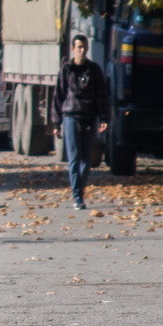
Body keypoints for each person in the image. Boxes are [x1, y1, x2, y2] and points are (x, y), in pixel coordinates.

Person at [50, 34, 110, 209]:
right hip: (71, 117)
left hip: (89, 117)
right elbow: (58, 96)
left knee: (86, 160)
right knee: (74, 159)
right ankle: (77, 196)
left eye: (84, 47)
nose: (82, 51)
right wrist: (56, 122)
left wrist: (104, 117)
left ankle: (80, 191)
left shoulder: (94, 70)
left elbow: (102, 95)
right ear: (73, 49)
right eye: (79, 47)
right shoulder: (66, 70)